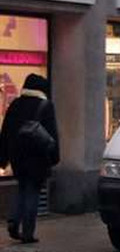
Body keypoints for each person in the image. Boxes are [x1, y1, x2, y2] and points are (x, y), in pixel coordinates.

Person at [0, 75, 59, 243]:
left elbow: (5, 132)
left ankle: (13, 219)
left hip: (18, 157)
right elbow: (52, 134)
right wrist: (55, 157)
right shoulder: (45, 106)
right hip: (38, 157)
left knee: (21, 188)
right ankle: (28, 233)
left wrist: (3, 157)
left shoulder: (16, 105)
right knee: (33, 191)